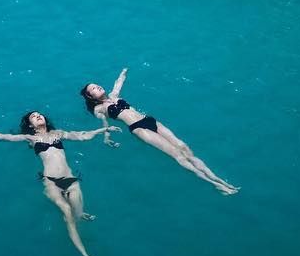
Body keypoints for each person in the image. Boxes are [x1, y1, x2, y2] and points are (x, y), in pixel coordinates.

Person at [0, 110, 109, 256]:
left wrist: (103, 131)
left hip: (70, 179)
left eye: (39, 114)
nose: (38, 116)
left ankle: (80, 217)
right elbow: (3, 137)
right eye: (33, 117)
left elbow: (82, 136)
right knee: (68, 213)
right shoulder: (31, 139)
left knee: (77, 213)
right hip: (51, 182)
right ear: (30, 125)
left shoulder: (59, 133)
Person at [81, 69, 237, 195]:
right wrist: (107, 136)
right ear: (91, 97)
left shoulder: (114, 95)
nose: (98, 87)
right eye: (93, 88)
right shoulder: (98, 109)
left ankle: (218, 179)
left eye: (97, 84)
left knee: (184, 147)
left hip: (150, 120)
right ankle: (214, 184)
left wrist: (124, 71)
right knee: (177, 154)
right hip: (139, 128)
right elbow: (104, 124)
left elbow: (118, 82)